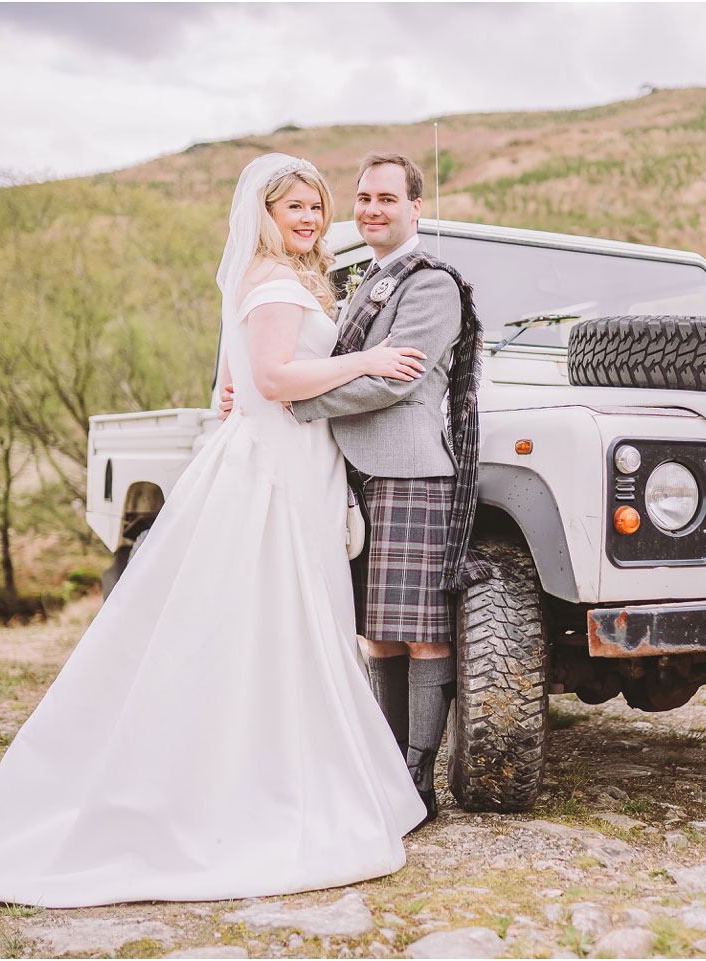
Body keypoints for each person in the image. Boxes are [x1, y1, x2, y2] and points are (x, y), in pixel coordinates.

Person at [0, 154, 429, 908]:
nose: (305, 219)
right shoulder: (270, 281)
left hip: (293, 461)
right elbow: (271, 379)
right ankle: (254, 786)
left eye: (313, 208)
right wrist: (365, 358)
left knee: (276, 626)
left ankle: (276, 766)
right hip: (273, 471)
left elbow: (245, 377)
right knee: (271, 623)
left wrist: (254, 377)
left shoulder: (281, 280)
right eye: (291, 208)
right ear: (261, 215)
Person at [225, 153, 489, 826]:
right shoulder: (364, 275)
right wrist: (248, 382)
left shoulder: (432, 284)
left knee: (422, 633)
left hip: (407, 471)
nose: (371, 209)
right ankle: (381, 764)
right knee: (377, 633)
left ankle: (417, 777)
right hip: (353, 472)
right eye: (363, 198)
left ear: (415, 208)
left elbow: (392, 380)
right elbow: (301, 355)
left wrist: (290, 403)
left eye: (387, 199)